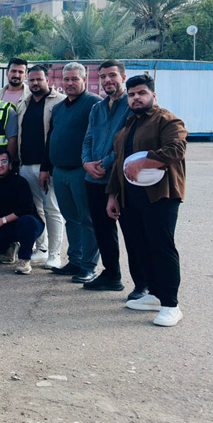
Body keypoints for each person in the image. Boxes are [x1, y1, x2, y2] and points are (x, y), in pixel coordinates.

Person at [106, 74, 187, 327]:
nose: (136, 98)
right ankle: (154, 294)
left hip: (160, 195)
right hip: (130, 197)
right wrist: (112, 195)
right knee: (139, 247)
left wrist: (144, 161)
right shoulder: (129, 125)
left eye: (141, 93)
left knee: (161, 247)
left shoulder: (167, 119)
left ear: (153, 95)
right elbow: (119, 164)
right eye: (131, 94)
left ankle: (171, 305)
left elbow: (176, 149)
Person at [82, 60, 138, 292]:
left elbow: (127, 142)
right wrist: (86, 163)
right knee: (102, 230)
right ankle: (111, 274)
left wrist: (104, 163)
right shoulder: (97, 108)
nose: (107, 80)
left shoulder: (131, 105)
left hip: (119, 179)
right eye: (103, 76)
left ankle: (142, 284)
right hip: (93, 179)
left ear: (123, 77)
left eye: (112, 75)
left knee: (131, 232)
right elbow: (88, 138)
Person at [42, 62, 100, 283]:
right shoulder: (58, 108)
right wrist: (47, 167)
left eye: (75, 79)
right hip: (60, 171)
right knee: (71, 219)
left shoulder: (94, 104)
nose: (70, 83)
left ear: (84, 79)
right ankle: (75, 260)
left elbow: (98, 137)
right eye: (66, 79)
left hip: (81, 171)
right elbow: (51, 138)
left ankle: (88, 266)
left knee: (87, 219)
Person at [16, 65, 66, 268]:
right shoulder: (24, 103)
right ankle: (42, 249)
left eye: (39, 79)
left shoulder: (59, 102)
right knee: (36, 210)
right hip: (26, 165)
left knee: (52, 209)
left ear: (48, 80)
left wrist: (47, 166)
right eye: (32, 80)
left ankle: (55, 255)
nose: (35, 83)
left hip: (47, 166)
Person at [0, 151, 44, 275]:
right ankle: (9, 247)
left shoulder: (20, 182)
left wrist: (3, 220)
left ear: (10, 165)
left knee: (27, 221)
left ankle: (24, 260)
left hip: (29, 224)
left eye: (4, 161)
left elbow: (26, 209)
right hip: (6, 225)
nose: (0, 165)